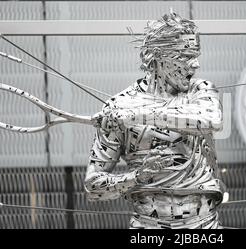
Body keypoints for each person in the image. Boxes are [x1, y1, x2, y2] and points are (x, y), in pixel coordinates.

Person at [84, 10, 226, 229]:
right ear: (158, 57)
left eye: (196, 55)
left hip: (204, 224)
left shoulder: (200, 90)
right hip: (147, 225)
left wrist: (136, 115)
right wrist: (137, 177)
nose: (196, 64)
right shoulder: (118, 106)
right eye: (186, 56)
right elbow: (94, 187)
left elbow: (211, 120)